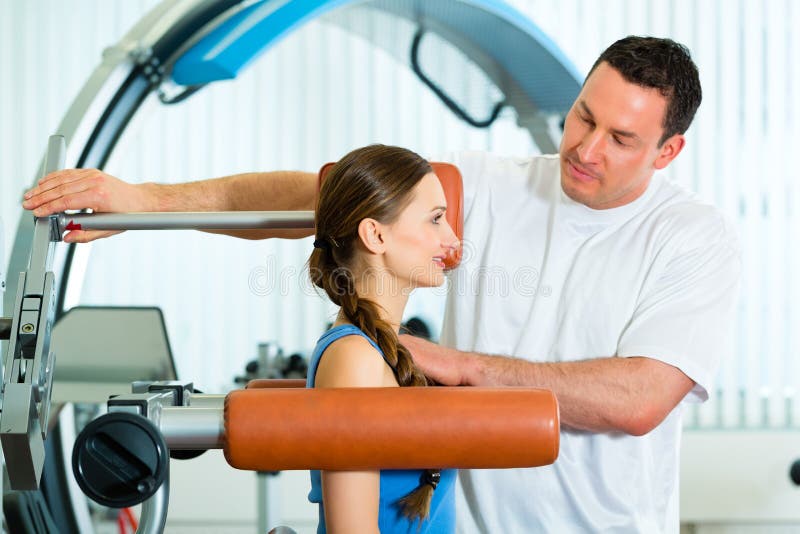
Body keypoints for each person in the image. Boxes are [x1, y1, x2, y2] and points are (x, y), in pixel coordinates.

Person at [24, 36, 741, 532]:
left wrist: (458, 369)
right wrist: (150, 204)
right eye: (584, 114)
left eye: (621, 139)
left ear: (668, 151)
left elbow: (641, 398)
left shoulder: (693, 238)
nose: (584, 148)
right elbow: (319, 197)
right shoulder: (494, 188)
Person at [305, 144, 459, 533]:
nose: (453, 239)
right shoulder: (353, 359)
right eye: (436, 219)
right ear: (375, 234)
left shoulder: (378, 351)